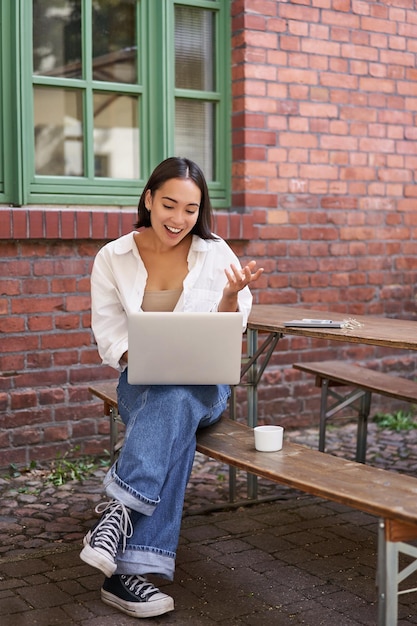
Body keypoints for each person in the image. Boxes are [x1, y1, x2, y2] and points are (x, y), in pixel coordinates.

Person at [81, 156, 264, 619]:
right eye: (169, 204)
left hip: (208, 388)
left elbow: (229, 333)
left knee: (181, 395)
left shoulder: (218, 253)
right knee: (171, 402)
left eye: (190, 209)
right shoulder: (112, 258)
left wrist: (227, 299)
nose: (179, 219)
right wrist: (148, 359)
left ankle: (118, 512)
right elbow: (110, 339)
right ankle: (130, 570)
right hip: (140, 383)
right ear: (148, 199)